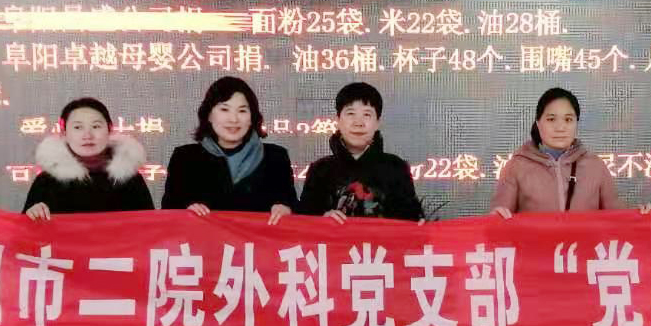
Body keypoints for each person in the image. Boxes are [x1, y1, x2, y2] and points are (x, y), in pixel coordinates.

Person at [490, 87, 630, 326]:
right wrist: (498, 217)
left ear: (577, 123)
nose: (560, 126)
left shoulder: (594, 166)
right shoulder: (517, 165)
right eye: (551, 118)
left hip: (579, 286)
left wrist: (641, 218)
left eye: (568, 119)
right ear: (538, 123)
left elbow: (617, 218)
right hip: (533, 286)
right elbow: (499, 215)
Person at [161, 76, 297, 224]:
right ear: (209, 115)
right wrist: (185, 210)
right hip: (202, 238)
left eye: (242, 111)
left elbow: (294, 206)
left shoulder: (276, 157)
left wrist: (286, 208)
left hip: (258, 239)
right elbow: (168, 212)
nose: (233, 119)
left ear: (252, 117)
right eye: (224, 109)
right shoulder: (184, 158)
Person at [299, 82, 423, 223]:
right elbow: (303, 223)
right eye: (350, 113)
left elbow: (410, 221)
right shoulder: (320, 170)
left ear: (377, 123)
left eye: (366, 114)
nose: (358, 123)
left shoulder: (396, 168)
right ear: (338, 120)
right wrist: (321, 220)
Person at [22, 98, 153, 220]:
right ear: (64, 133)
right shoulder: (46, 181)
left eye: (96, 126)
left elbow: (150, 227)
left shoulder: (130, 179)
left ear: (110, 129)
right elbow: (25, 232)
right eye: (78, 127)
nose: (88, 135)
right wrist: (32, 214)